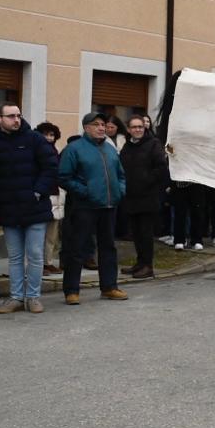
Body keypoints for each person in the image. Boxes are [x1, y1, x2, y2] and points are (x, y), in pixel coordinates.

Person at [0, 103, 58, 314]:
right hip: (8, 208)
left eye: (18, 115)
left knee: (35, 255)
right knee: (15, 257)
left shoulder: (34, 139)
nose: (16, 120)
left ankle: (33, 297)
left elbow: (51, 166)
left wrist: (37, 192)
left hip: (35, 208)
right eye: (11, 116)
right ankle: (15, 297)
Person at [58, 113, 128, 305]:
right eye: (96, 124)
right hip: (84, 206)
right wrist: (85, 191)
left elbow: (121, 175)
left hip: (109, 205)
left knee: (108, 248)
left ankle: (109, 287)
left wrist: (119, 191)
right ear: (86, 127)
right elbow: (64, 177)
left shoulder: (110, 149)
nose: (101, 128)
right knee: (77, 248)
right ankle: (71, 290)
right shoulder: (74, 149)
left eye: (103, 125)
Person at [118, 114, 168, 280]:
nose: (137, 130)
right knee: (136, 233)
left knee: (146, 234)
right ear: (129, 129)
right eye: (134, 127)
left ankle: (148, 266)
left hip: (147, 197)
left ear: (144, 128)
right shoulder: (127, 146)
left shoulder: (153, 144)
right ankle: (139, 263)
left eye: (140, 126)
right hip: (131, 197)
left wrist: (145, 181)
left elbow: (161, 169)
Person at [34, 122, 65, 275]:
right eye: (45, 134)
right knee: (39, 233)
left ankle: (49, 262)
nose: (48, 137)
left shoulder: (56, 152)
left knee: (52, 235)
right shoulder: (34, 151)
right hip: (42, 196)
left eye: (51, 134)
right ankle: (38, 264)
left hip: (56, 194)